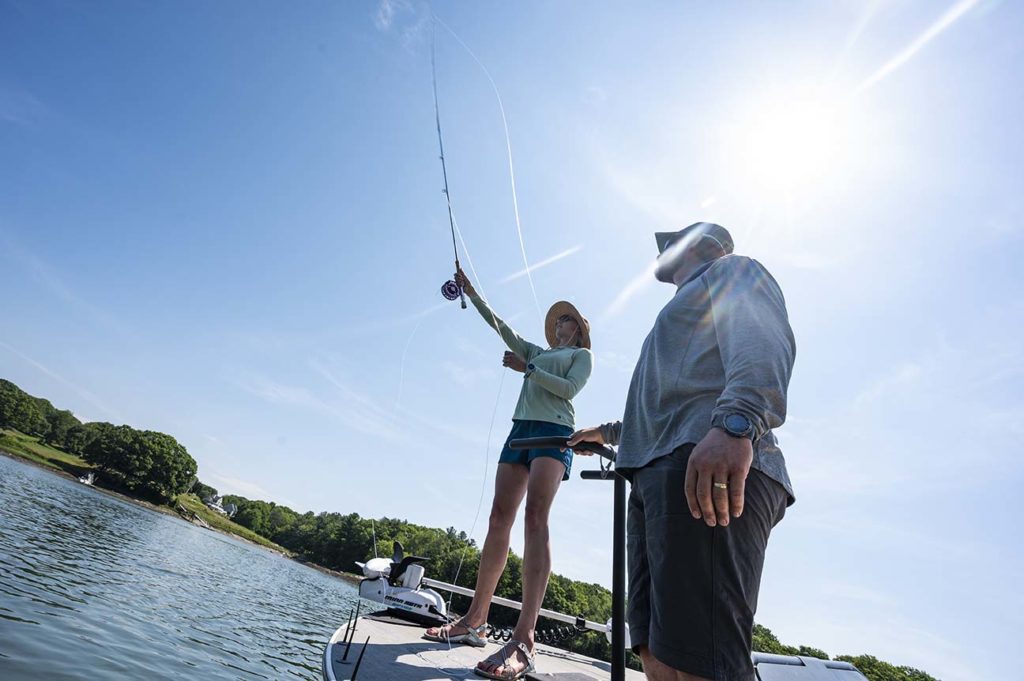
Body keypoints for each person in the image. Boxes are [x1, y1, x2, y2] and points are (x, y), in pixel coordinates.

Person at [569, 222, 796, 681]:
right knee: (657, 653)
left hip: (706, 466)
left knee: (702, 664)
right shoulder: (680, 312)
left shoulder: (733, 270)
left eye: (671, 243)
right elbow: (673, 398)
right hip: (658, 472)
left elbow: (762, 341)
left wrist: (737, 424)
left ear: (705, 246)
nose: (661, 250)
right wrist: (609, 433)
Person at [424, 267, 594, 680]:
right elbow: (499, 326)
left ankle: (525, 638)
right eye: (556, 319)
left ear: (579, 328)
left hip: (554, 433)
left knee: (536, 517)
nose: (558, 323)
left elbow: (569, 390)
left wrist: (529, 370)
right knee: (499, 518)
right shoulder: (536, 350)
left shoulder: (581, 357)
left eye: (565, 318)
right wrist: (472, 292)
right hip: (521, 430)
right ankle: (475, 620)